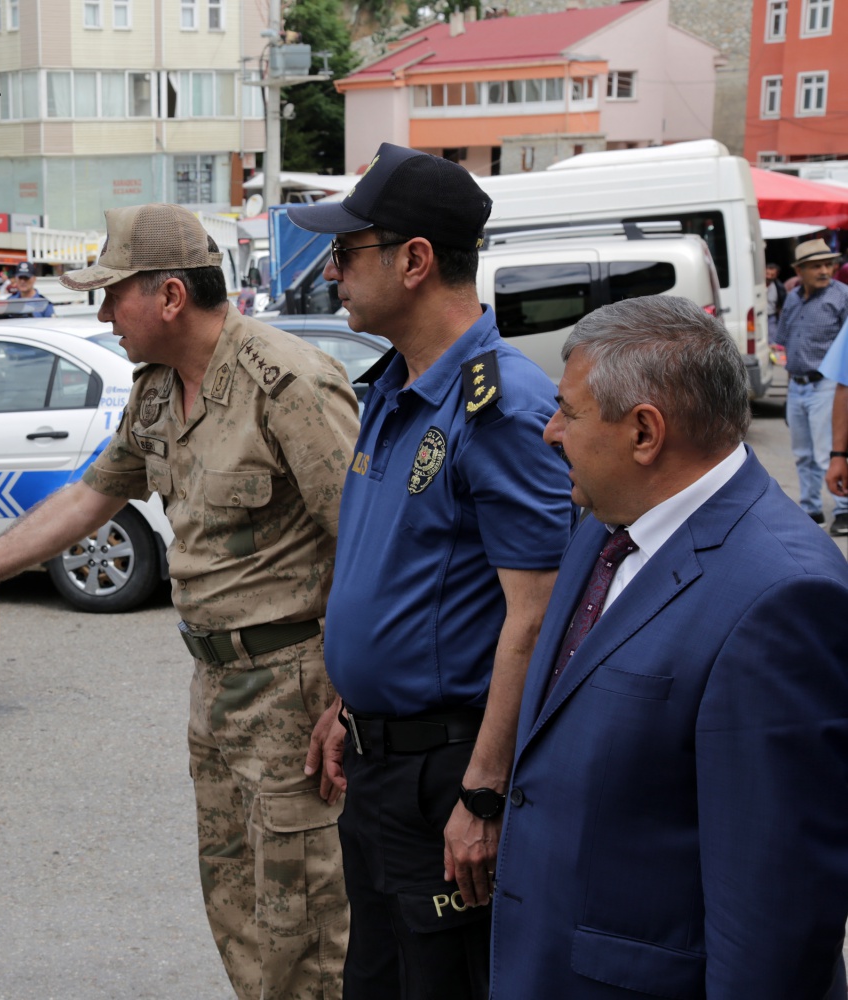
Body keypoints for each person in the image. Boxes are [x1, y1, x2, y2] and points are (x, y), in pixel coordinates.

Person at [0, 203, 360, 1000]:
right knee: (236, 902)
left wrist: (350, 695)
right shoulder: (157, 390)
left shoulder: (287, 382)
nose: (104, 311)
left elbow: (367, 545)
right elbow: (90, 498)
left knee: (306, 920)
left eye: (115, 293)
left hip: (296, 682)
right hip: (215, 685)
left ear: (171, 296)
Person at [491, 295, 848, 998]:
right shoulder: (607, 518)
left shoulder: (782, 598)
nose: (549, 432)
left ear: (645, 432)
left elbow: (773, 916)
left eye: (568, 411)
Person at [288, 142, 573, 1000]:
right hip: (379, 760)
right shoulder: (391, 388)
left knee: (441, 982)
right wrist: (350, 703)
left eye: (346, 251)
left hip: (445, 774)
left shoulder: (503, 405)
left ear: (414, 262)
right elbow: (394, 570)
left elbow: (537, 615)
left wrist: (483, 797)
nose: (330, 269)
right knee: (374, 977)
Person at [776, 238, 848, 528]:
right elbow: (786, 341)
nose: (824, 270)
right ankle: (811, 508)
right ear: (800, 270)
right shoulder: (793, 297)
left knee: (828, 451)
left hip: (828, 385)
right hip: (797, 385)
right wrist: (788, 390)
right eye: (815, 266)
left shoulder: (842, 296)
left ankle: (843, 508)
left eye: (827, 264)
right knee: (802, 453)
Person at [765, 260, 785, 325]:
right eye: (767, 274)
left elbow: (783, 303)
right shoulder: (754, 286)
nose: (769, 277)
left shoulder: (779, 287)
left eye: (772, 275)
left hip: (771, 316)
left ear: (776, 276)